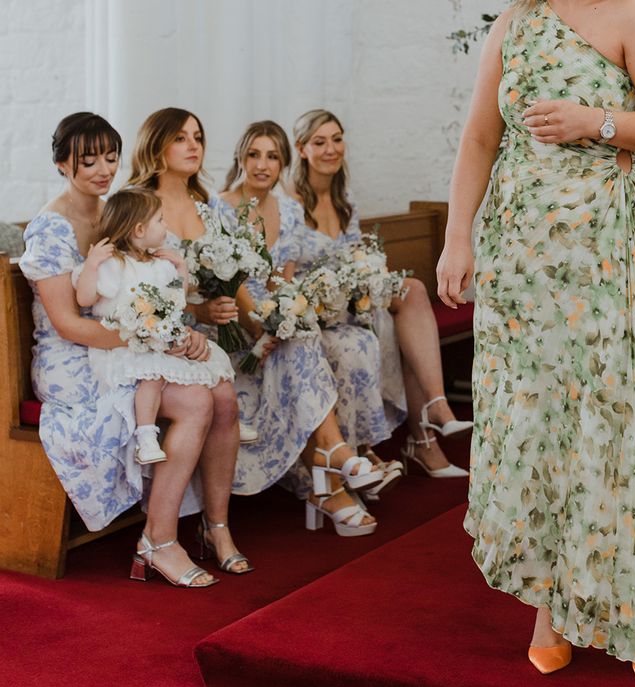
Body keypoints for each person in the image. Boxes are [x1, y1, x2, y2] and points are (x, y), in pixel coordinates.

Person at [436, 0, 635, 683]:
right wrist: (457, 238)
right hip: (519, 258)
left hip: (600, 252)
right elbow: (480, 138)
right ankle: (550, 609)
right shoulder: (514, 21)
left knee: (609, 416)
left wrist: (596, 122)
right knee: (536, 426)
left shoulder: (634, 16)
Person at [128, 109, 385, 536]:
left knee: (295, 336)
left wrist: (262, 327)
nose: (194, 146)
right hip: (175, 338)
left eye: (198, 136)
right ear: (156, 146)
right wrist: (198, 314)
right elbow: (134, 292)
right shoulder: (139, 204)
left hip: (221, 328)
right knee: (292, 345)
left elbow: (232, 280)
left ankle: (333, 456)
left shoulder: (204, 204)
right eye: (181, 138)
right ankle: (330, 468)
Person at [19, 112, 237, 588]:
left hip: (132, 341)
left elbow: (151, 291)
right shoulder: (50, 229)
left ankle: (215, 527)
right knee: (198, 402)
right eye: (88, 160)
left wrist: (181, 327)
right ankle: (160, 542)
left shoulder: (117, 210)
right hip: (73, 357)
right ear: (61, 163)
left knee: (222, 394)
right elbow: (68, 323)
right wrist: (158, 337)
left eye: (111, 158)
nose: (102, 169)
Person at [221, 120, 402, 500]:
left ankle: (348, 459)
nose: (262, 165)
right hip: (234, 324)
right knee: (305, 343)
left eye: (272, 156)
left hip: (269, 319)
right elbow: (229, 282)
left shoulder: (287, 210)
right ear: (240, 156)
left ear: (284, 163)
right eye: (253, 154)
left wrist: (283, 317)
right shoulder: (219, 207)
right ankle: (337, 463)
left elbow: (281, 281)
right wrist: (259, 328)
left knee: (325, 338)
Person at [289, 109, 471, 479]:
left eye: (337, 139)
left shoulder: (345, 201)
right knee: (406, 327)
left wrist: (369, 273)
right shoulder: (290, 202)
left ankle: (434, 411)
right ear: (302, 149)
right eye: (320, 142)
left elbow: (357, 258)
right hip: (315, 308)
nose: (331, 149)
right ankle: (425, 434)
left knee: (413, 293)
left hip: (352, 301)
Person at [72, 188, 237, 466]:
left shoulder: (159, 264)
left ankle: (229, 420)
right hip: (127, 346)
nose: (166, 226)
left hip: (157, 339)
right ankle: (146, 436)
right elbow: (85, 298)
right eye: (160, 220)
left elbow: (177, 300)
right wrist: (92, 265)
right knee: (153, 376)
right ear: (138, 229)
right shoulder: (114, 265)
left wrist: (182, 269)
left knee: (207, 360)